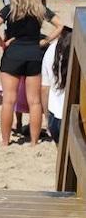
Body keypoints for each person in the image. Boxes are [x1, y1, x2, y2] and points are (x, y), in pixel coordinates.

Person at [0, 0, 63, 146]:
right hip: (35, 54)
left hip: (13, 54)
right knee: (34, 101)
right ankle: (34, 142)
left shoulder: (9, 9)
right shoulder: (39, 9)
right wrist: (45, 41)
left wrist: (2, 43)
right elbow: (60, 25)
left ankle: (5, 141)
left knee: (9, 100)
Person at [42, 13, 73, 143]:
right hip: (75, 117)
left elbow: (45, 89)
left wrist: (47, 119)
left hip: (56, 117)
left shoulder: (52, 49)